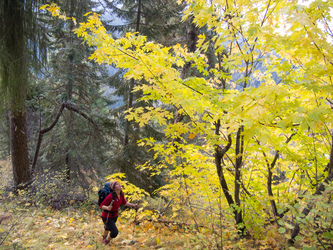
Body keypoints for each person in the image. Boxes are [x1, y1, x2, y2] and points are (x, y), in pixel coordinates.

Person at [100, 181, 139, 245]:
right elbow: (102, 205)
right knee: (114, 232)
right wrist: (107, 208)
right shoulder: (110, 196)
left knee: (107, 227)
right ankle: (106, 242)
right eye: (117, 184)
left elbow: (124, 202)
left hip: (114, 215)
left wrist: (133, 205)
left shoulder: (121, 194)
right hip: (107, 216)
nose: (120, 185)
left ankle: (104, 238)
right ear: (114, 188)